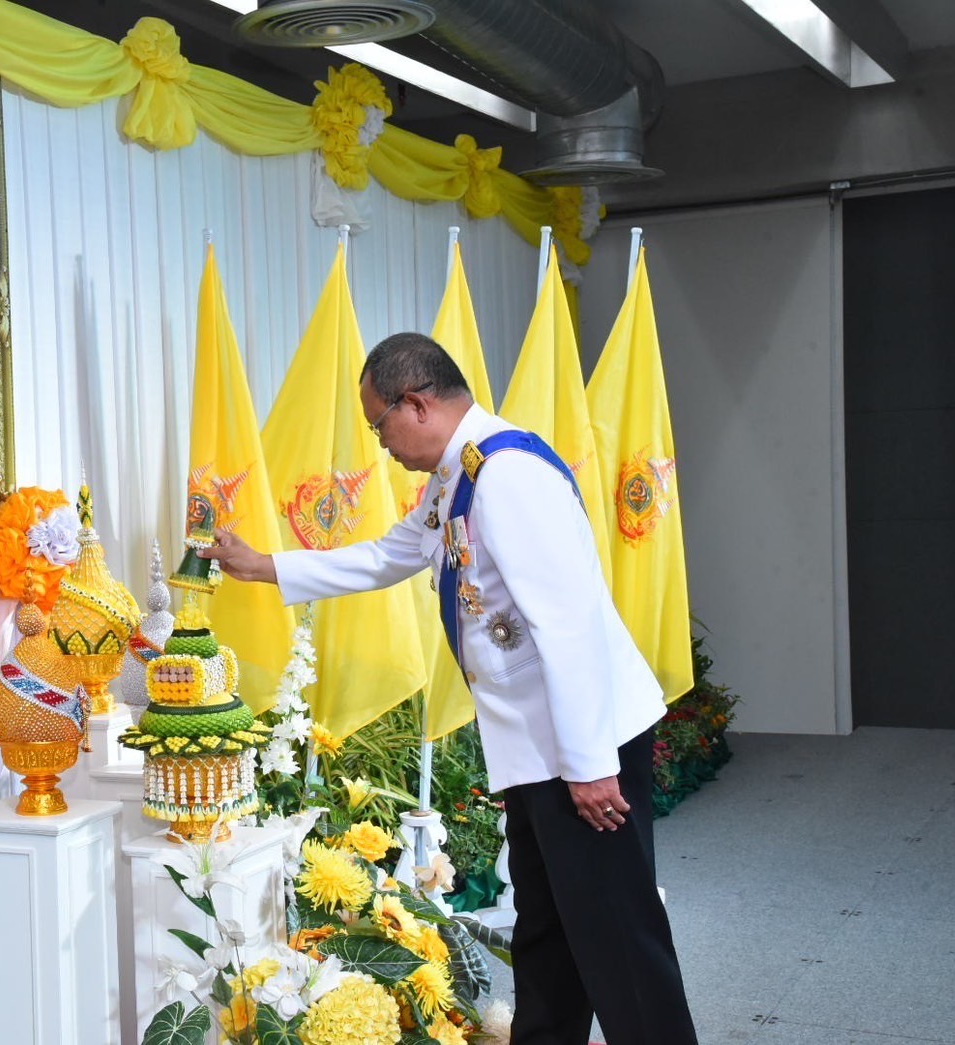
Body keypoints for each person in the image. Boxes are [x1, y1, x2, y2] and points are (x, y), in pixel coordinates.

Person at [203, 331, 698, 1045]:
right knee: (549, 930)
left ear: (417, 402)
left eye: (380, 424)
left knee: (617, 933)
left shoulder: (506, 476)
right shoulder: (457, 475)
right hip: (540, 747)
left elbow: (569, 625)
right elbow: (389, 554)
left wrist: (589, 766)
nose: (380, 443)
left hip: (581, 745)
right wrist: (265, 567)